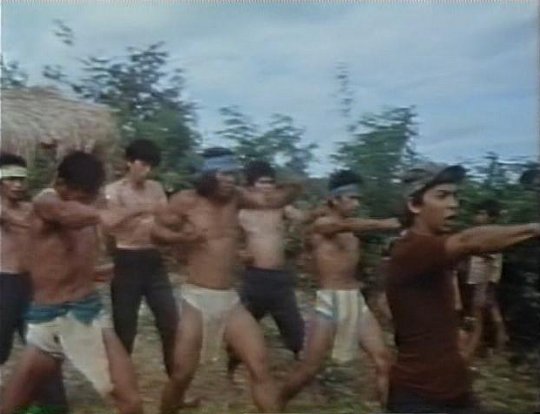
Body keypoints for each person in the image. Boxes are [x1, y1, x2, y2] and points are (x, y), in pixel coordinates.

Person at [152, 147, 301, 413]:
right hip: (195, 299)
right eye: (225, 174)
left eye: (234, 174)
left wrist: (294, 181)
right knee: (182, 374)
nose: (231, 180)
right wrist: (183, 238)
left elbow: (273, 201)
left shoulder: (237, 198)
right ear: (208, 175)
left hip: (229, 301)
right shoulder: (186, 201)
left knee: (259, 367)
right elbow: (157, 232)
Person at [385, 162, 540, 413]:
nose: (453, 204)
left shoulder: (433, 250)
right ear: (414, 204)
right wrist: (533, 229)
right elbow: (469, 241)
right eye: (442, 196)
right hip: (420, 398)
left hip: (454, 390)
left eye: (455, 196)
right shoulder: (411, 250)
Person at [1, 152, 144, 414]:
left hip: (86, 313)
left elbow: (63, 254)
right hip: (47, 318)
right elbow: (69, 215)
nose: (85, 201)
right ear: (60, 183)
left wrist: (93, 271)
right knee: (10, 406)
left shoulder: (88, 207)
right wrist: (138, 209)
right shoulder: (46, 202)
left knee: (130, 401)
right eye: (80, 196)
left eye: (89, 196)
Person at [279, 170, 400, 410]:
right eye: (351, 198)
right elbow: (342, 225)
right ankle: (276, 405)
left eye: (358, 199)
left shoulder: (350, 230)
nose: (357, 203)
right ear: (335, 199)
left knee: (383, 360)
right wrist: (385, 224)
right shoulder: (324, 224)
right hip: (329, 302)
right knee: (310, 368)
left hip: (355, 300)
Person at [0, 153, 69, 414]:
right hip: (3, 283)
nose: (17, 185)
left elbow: (50, 211)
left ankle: (53, 405)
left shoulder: (30, 209)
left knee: (45, 345)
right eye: (11, 179)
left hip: (31, 285)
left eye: (21, 179)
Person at [226, 160, 306, 379]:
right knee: (244, 325)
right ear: (251, 185)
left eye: (271, 182)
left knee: (294, 327)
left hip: (280, 278)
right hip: (255, 277)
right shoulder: (242, 212)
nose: (268, 187)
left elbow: (302, 218)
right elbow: (227, 238)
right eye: (262, 182)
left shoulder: (281, 208)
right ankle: (232, 366)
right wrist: (240, 253)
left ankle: (303, 370)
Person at [105, 139, 178, 376]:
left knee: (170, 321)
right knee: (125, 326)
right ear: (129, 162)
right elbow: (110, 223)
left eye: (151, 166)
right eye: (143, 164)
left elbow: (165, 218)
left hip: (153, 258)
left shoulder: (156, 188)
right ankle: (120, 380)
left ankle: (175, 377)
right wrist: (140, 210)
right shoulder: (113, 191)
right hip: (126, 257)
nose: (147, 170)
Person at [463, 199, 507, 357]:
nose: (477, 216)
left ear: (491, 217)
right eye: (477, 213)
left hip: (484, 280)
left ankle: (472, 350)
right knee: (491, 309)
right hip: (480, 279)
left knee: (478, 313)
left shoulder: (490, 235)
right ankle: (500, 341)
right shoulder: (482, 232)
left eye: (482, 213)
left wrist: (482, 288)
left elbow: (489, 261)